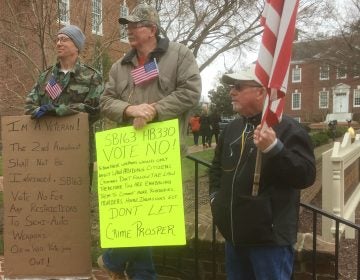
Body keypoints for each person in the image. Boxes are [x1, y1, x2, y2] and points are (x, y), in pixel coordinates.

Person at [98, 3, 201, 280]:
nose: (129, 31)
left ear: (152, 30)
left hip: (161, 154)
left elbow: (191, 92)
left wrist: (155, 109)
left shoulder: (179, 55)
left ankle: (112, 260)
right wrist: (130, 110)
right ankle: (143, 274)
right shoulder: (120, 66)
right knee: (136, 218)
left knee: (150, 217)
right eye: (127, 26)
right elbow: (105, 101)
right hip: (127, 154)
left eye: (135, 26)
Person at [209, 66, 316, 279]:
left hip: (269, 241)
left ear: (260, 92)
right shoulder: (231, 129)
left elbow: (306, 175)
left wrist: (275, 149)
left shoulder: (288, 129)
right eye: (232, 87)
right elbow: (216, 170)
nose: (232, 92)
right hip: (234, 236)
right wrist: (215, 199)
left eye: (238, 87)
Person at [24, 24, 104, 184]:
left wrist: (57, 110)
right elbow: (29, 106)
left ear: (76, 46)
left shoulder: (91, 76)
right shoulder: (46, 76)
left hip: (78, 149)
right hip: (46, 149)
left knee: (77, 200)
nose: (58, 43)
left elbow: (95, 110)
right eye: (57, 40)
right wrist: (39, 110)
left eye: (64, 39)